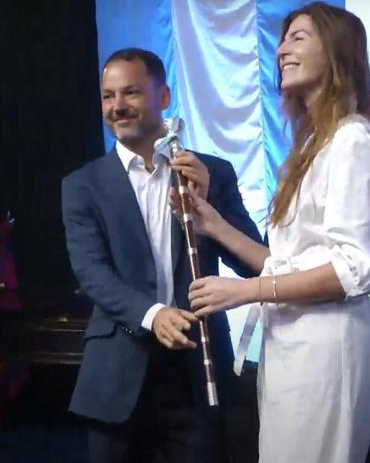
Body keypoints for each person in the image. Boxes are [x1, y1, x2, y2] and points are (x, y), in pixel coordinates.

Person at [183, 2, 370, 463]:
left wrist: (245, 291)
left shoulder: (353, 140)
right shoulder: (313, 145)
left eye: (298, 38)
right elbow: (288, 262)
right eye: (283, 40)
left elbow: (355, 268)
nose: (281, 50)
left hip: (328, 347)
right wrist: (214, 224)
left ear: (336, 52)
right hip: (292, 346)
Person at [61, 47, 261, 463]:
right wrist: (153, 314)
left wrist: (209, 201)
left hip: (198, 368)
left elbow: (252, 263)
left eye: (130, 92)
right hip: (117, 373)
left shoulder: (211, 172)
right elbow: (91, 272)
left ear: (164, 97)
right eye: (107, 96)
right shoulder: (82, 185)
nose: (117, 106)